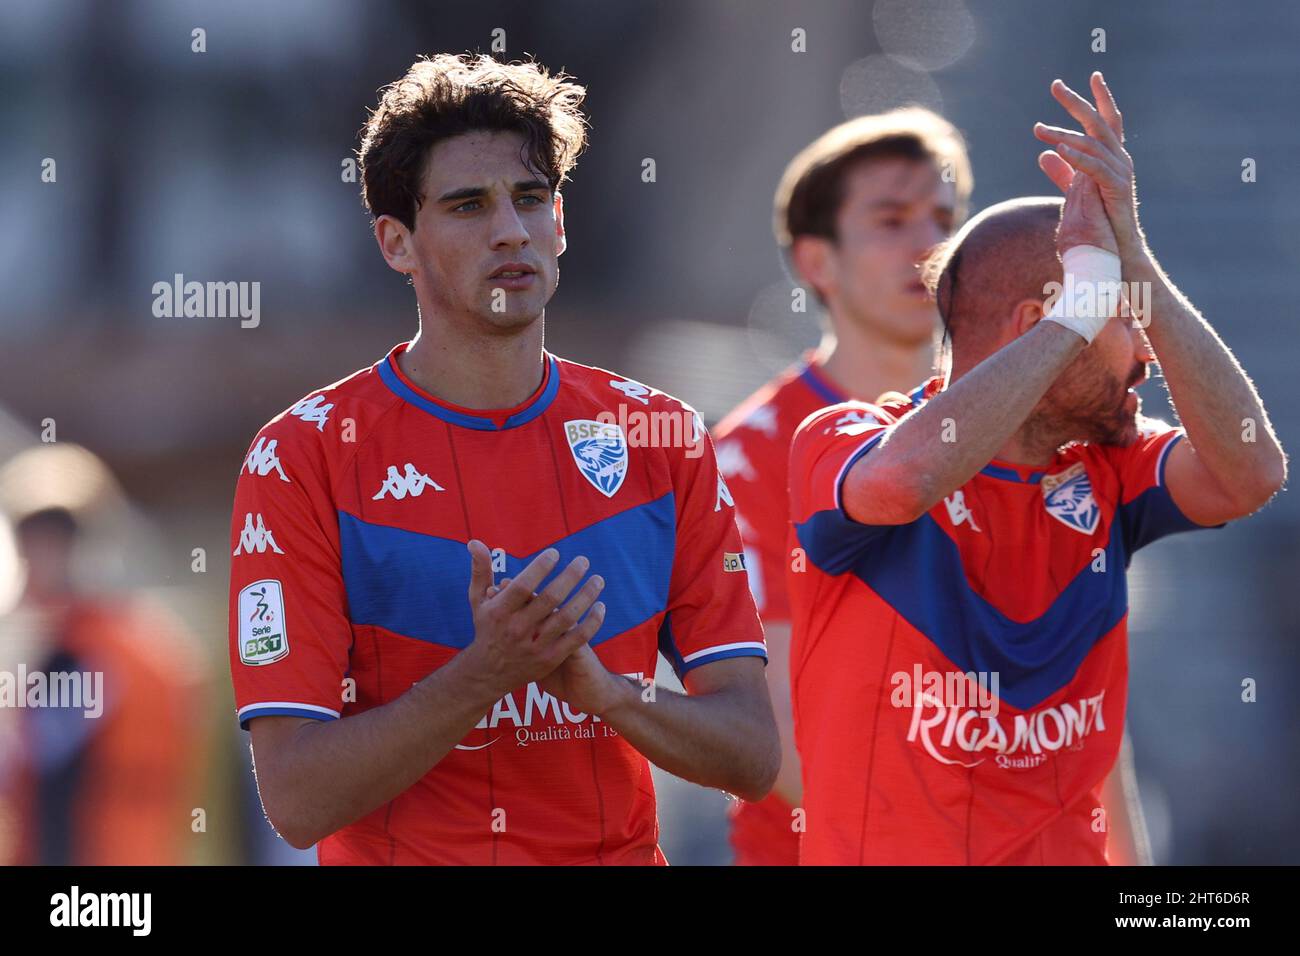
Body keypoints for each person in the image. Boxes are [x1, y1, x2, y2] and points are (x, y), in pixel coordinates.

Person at [228, 53, 779, 865]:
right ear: (396, 243)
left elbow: (752, 756)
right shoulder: (302, 454)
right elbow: (298, 800)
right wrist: (485, 673)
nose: (510, 230)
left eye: (530, 199)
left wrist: (607, 695)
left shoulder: (660, 436)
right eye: (467, 205)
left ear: (560, 223)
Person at [786, 72, 1286, 865]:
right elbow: (901, 486)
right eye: (1123, 319)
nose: (1149, 352)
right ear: (1043, 322)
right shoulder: (847, 436)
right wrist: (1078, 311)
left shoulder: (1110, 468)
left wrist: (1136, 262)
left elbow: (1253, 469)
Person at [716, 108, 972, 866]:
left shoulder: (1013, 422)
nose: (929, 245)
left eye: (945, 218)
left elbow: (1081, 701)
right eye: (891, 220)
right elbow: (779, 732)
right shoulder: (750, 455)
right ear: (817, 263)